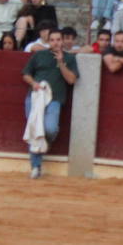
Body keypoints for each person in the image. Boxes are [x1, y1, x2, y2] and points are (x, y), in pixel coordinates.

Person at [22, 25, 78, 179]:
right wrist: (33, 84)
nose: (55, 43)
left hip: (55, 99)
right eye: (52, 40)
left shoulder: (69, 58)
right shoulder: (39, 55)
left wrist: (61, 63)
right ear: (48, 41)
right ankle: (36, 167)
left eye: (58, 40)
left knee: (50, 129)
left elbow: (71, 80)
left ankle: (45, 144)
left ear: (62, 41)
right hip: (34, 97)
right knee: (35, 130)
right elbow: (26, 74)